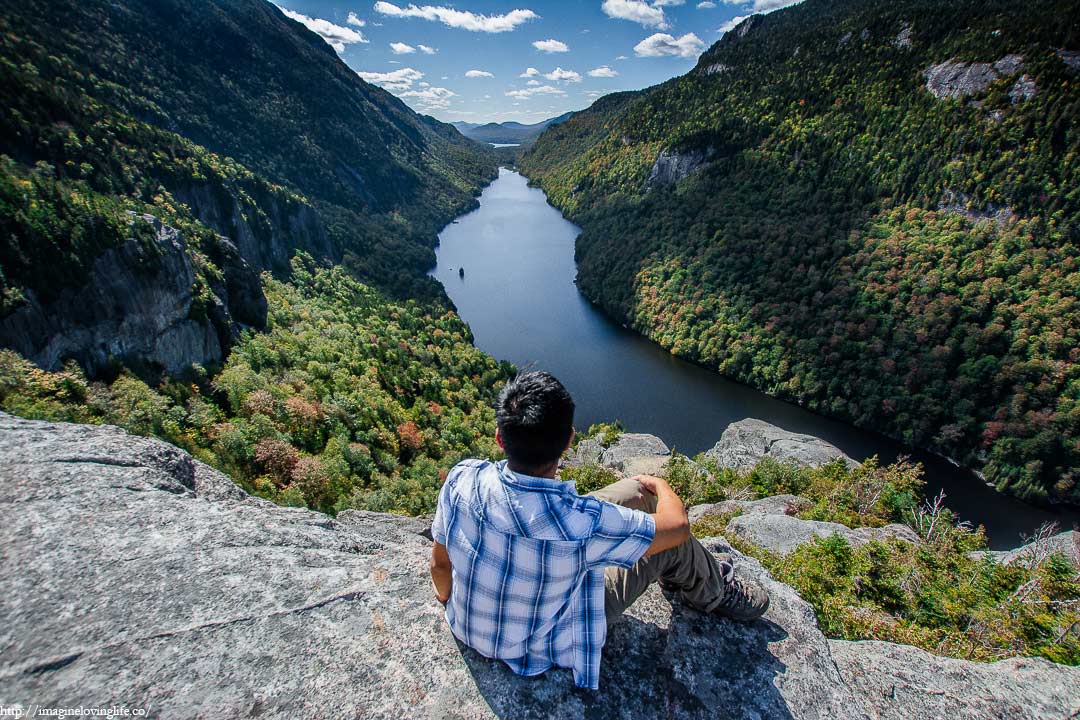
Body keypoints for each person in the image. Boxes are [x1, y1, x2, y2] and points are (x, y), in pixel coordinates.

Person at [429, 371, 769, 690]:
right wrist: (662, 486)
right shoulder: (582, 523)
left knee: (635, 492)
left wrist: (449, 601)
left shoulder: (463, 478)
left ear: (499, 438)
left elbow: (440, 566)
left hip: (467, 629)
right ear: (568, 442)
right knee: (668, 542)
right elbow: (678, 527)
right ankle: (714, 591)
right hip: (545, 643)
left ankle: (659, 527)